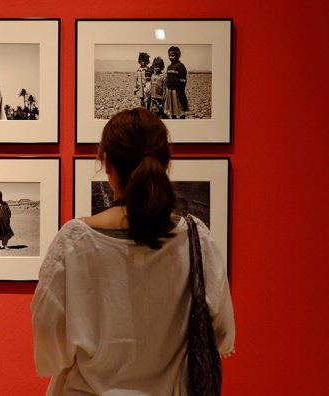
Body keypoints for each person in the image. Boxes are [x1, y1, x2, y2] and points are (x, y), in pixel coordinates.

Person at [31, 108, 234, 395]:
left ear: (107, 164)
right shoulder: (194, 235)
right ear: (165, 163)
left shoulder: (74, 241)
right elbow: (222, 332)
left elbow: (49, 342)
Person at [164, 46, 188, 119]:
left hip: (176, 91)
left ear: (178, 55)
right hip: (169, 91)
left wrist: (180, 91)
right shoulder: (169, 67)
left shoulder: (180, 66)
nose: (170, 57)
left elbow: (183, 80)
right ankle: (174, 119)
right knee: (172, 108)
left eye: (172, 55)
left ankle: (181, 120)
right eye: (169, 56)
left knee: (179, 107)